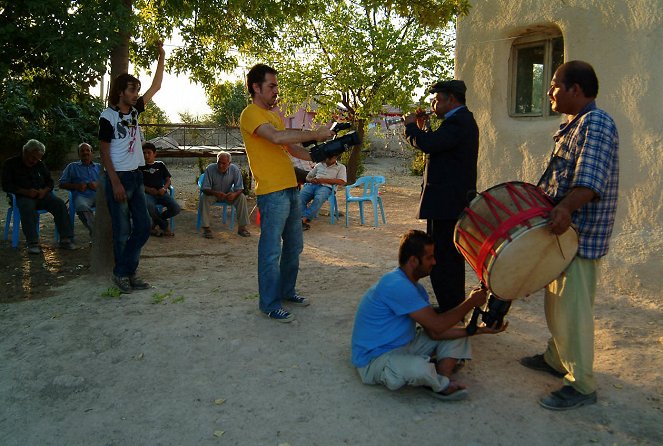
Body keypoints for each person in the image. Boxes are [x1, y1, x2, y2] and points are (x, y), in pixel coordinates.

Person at [519, 61, 619, 411]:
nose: (549, 92)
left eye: (555, 85)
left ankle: (581, 385)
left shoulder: (597, 123)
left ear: (576, 89)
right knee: (556, 303)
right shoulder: (572, 127)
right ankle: (556, 359)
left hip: (580, 235)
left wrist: (564, 210)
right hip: (562, 235)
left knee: (573, 310)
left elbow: (589, 181)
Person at [351, 230, 506, 400]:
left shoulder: (416, 288)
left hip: (405, 346)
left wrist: (479, 330)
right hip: (374, 360)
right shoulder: (396, 284)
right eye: (429, 257)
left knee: (459, 330)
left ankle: (440, 377)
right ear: (413, 260)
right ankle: (439, 383)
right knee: (418, 368)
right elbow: (437, 325)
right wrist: (470, 302)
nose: (434, 262)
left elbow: (435, 332)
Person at [239, 63, 334, 322]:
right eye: (271, 86)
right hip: (271, 192)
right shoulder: (250, 114)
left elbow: (293, 151)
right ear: (255, 87)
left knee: (294, 246)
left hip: (291, 188)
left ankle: (287, 292)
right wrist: (316, 133)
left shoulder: (275, 117)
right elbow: (279, 138)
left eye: (276, 86)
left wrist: (321, 154)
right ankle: (269, 304)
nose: (276, 91)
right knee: (271, 251)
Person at [403, 80, 479, 313]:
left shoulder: (458, 122)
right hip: (448, 202)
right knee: (448, 258)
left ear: (451, 100)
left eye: (437, 99)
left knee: (443, 259)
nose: (433, 104)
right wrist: (423, 128)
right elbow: (438, 145)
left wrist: (410, 127)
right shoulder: (457, 122)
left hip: (447, 204)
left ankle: (450, 311)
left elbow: (430, 144)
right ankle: (451, 307)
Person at [98, 42, 165, 293]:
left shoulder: (135, 112)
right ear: (120, 92)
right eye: (132, 90)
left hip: (136, 177)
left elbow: (156, 86)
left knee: (144, 226)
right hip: (119, 178)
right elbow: (104, 152)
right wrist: (114, 181)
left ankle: (124, 271)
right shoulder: (108, 116)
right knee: (122, 230)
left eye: (137, 90)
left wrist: (161, 56)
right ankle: (125, 274)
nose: (136, 94)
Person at [1, 139, 76, 253]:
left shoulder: (39, 164)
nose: (35, 161)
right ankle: (33, 243)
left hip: (42, 196)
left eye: (38, 158)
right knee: (27, 207)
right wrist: (26, 192)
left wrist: (44, 191)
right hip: (22, 197)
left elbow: (50, 182)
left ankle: (66, 239)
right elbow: (6, 185)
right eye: (32, 157)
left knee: (59, 204)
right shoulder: (10, 164)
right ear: (25, 152)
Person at [199, 151, 250, 238]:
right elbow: (204, 188)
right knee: (204, 198)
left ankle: (242, 228)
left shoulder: (235, 169)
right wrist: (216, 193)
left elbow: (240, 188)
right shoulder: (210, 169)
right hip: (213, 194)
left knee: (241, 197)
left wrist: (234, 194)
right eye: (219, 162)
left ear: (229, 163)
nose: (220, 165)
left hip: (228, 195)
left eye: (224, 163)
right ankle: (206, 228)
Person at [59, 142, 101, 236]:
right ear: (79, 154)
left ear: (92, 153)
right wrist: (76, 186)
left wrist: (97, 184)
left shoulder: (99, 167)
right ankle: (96, 234)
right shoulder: (72, 166)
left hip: (99, 195)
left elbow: (108, 182)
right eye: (82, 151)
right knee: (82, 207)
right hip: (82, 196)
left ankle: (112, 234)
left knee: (113, 204)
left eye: (87, 150)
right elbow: (61, 184)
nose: (85, 152)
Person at [139, 142, 181, 237]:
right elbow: (138, 184)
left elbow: (168, 180)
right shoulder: (140, 167)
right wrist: (148, 189)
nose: (146, 155)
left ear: (154, 154)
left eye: (149, 152)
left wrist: (164, 188)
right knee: (149, 206)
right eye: (144, 153)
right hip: (148, 194)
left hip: (162, 193)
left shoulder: (160, 165)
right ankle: (164, 225)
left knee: (176, 208)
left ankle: (157, 221)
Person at [300, 154, 347, 230]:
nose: (326, 160)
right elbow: (308, 177)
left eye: (328, 159)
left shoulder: (341, 167)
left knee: (319, 198)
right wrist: (311, 180)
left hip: (327, 187)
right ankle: (301, 220)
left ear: (335, 158)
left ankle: (304, 219)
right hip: (312, 185)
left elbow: (342, 181)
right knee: (300, 197)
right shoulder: (319, 165)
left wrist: (323, 180)